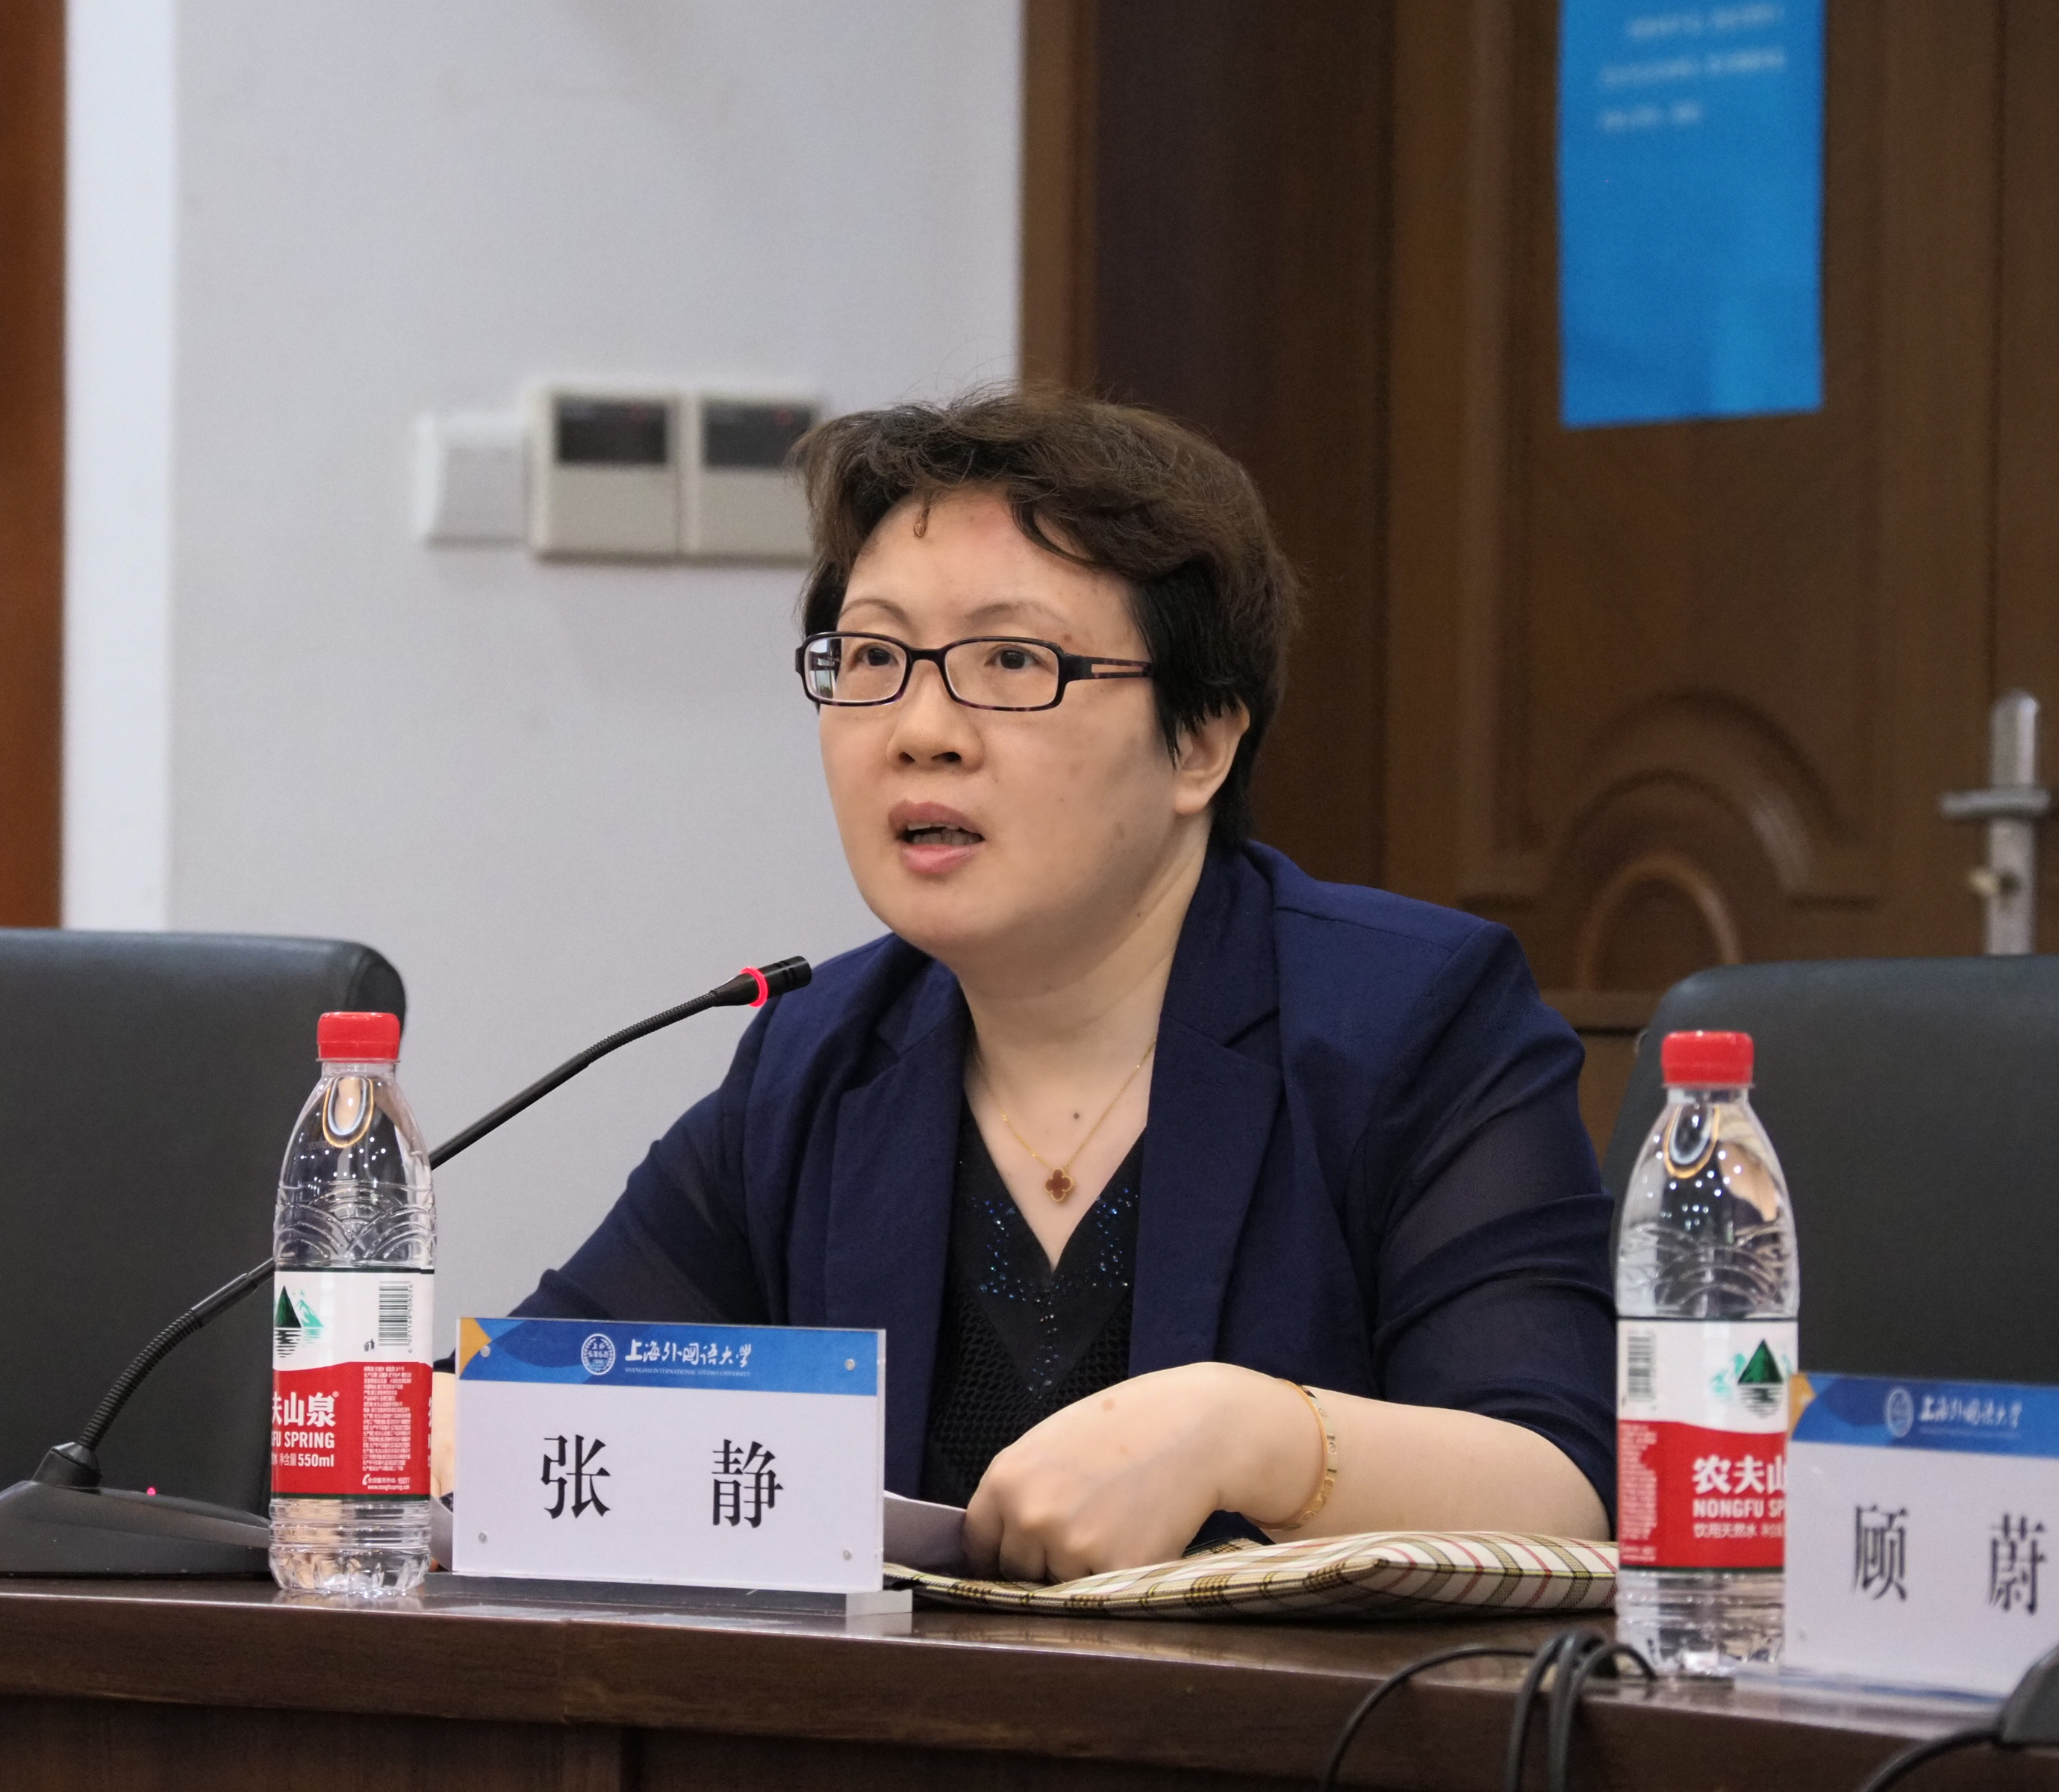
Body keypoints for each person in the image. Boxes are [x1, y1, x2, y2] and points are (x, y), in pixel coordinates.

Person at [434, 388, 1613, 1581]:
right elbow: (523, 1407)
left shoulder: (1409, 1019)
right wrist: (405, 1417)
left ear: (1201, 743)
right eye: (873, 657)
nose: (922, 730)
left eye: (1011, 660)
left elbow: (1565, 1492)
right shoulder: (819, 1059)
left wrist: (1246, 1436)